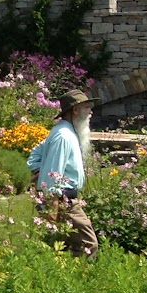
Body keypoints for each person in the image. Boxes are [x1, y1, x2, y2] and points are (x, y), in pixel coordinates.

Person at [26, 90, 100, 257]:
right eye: (87, 107)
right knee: (88, 245)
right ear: (75, 110)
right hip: (62, 201)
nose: (91, 112)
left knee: (64, 246)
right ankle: (81, 273)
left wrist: (39, 169)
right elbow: (53, 175)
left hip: (66, 199)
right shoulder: (63, 136)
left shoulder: (67, 131)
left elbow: (35, 155)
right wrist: (51, 209)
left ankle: (67, 271)